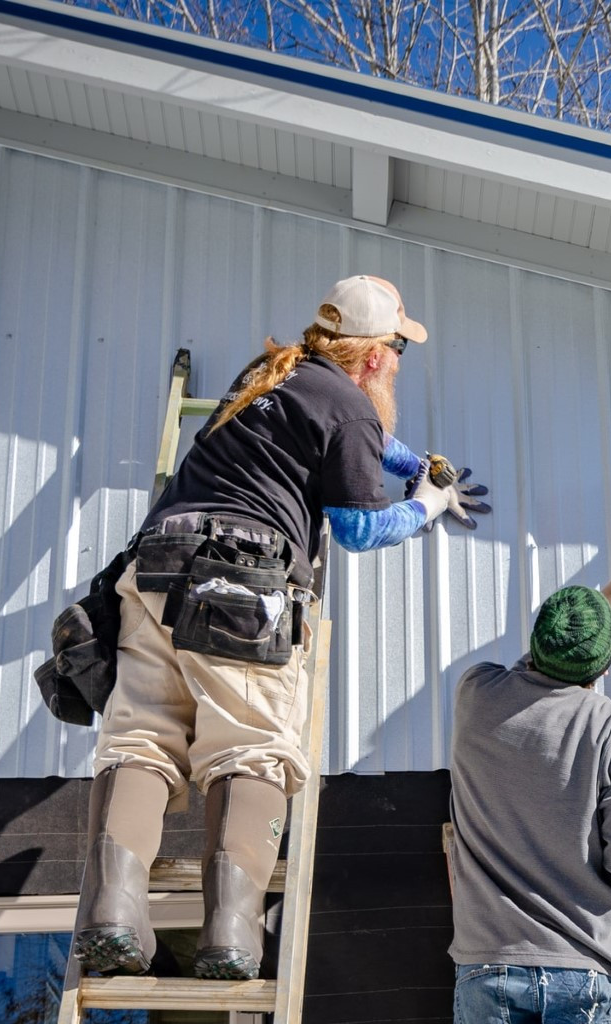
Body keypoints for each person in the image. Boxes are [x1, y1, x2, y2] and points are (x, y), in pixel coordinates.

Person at [73, 275, 492, 981]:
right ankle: (231, 935)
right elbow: (358, 527)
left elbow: (357, 436)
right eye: (397, 349)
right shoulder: (351, 409)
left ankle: (112, 913)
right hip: (240, 585)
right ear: (373, 358)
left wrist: (415, 463)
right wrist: (425, 503)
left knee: (140, 740)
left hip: (154, 567)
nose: (397, 362)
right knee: (252, 748)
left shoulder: (271, 374)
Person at [447, 583, 611, 1024]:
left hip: (489, 967)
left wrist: (594, 615)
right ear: (602, 670)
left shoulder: (475, 692)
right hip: (585, 971)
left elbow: (527, 673)